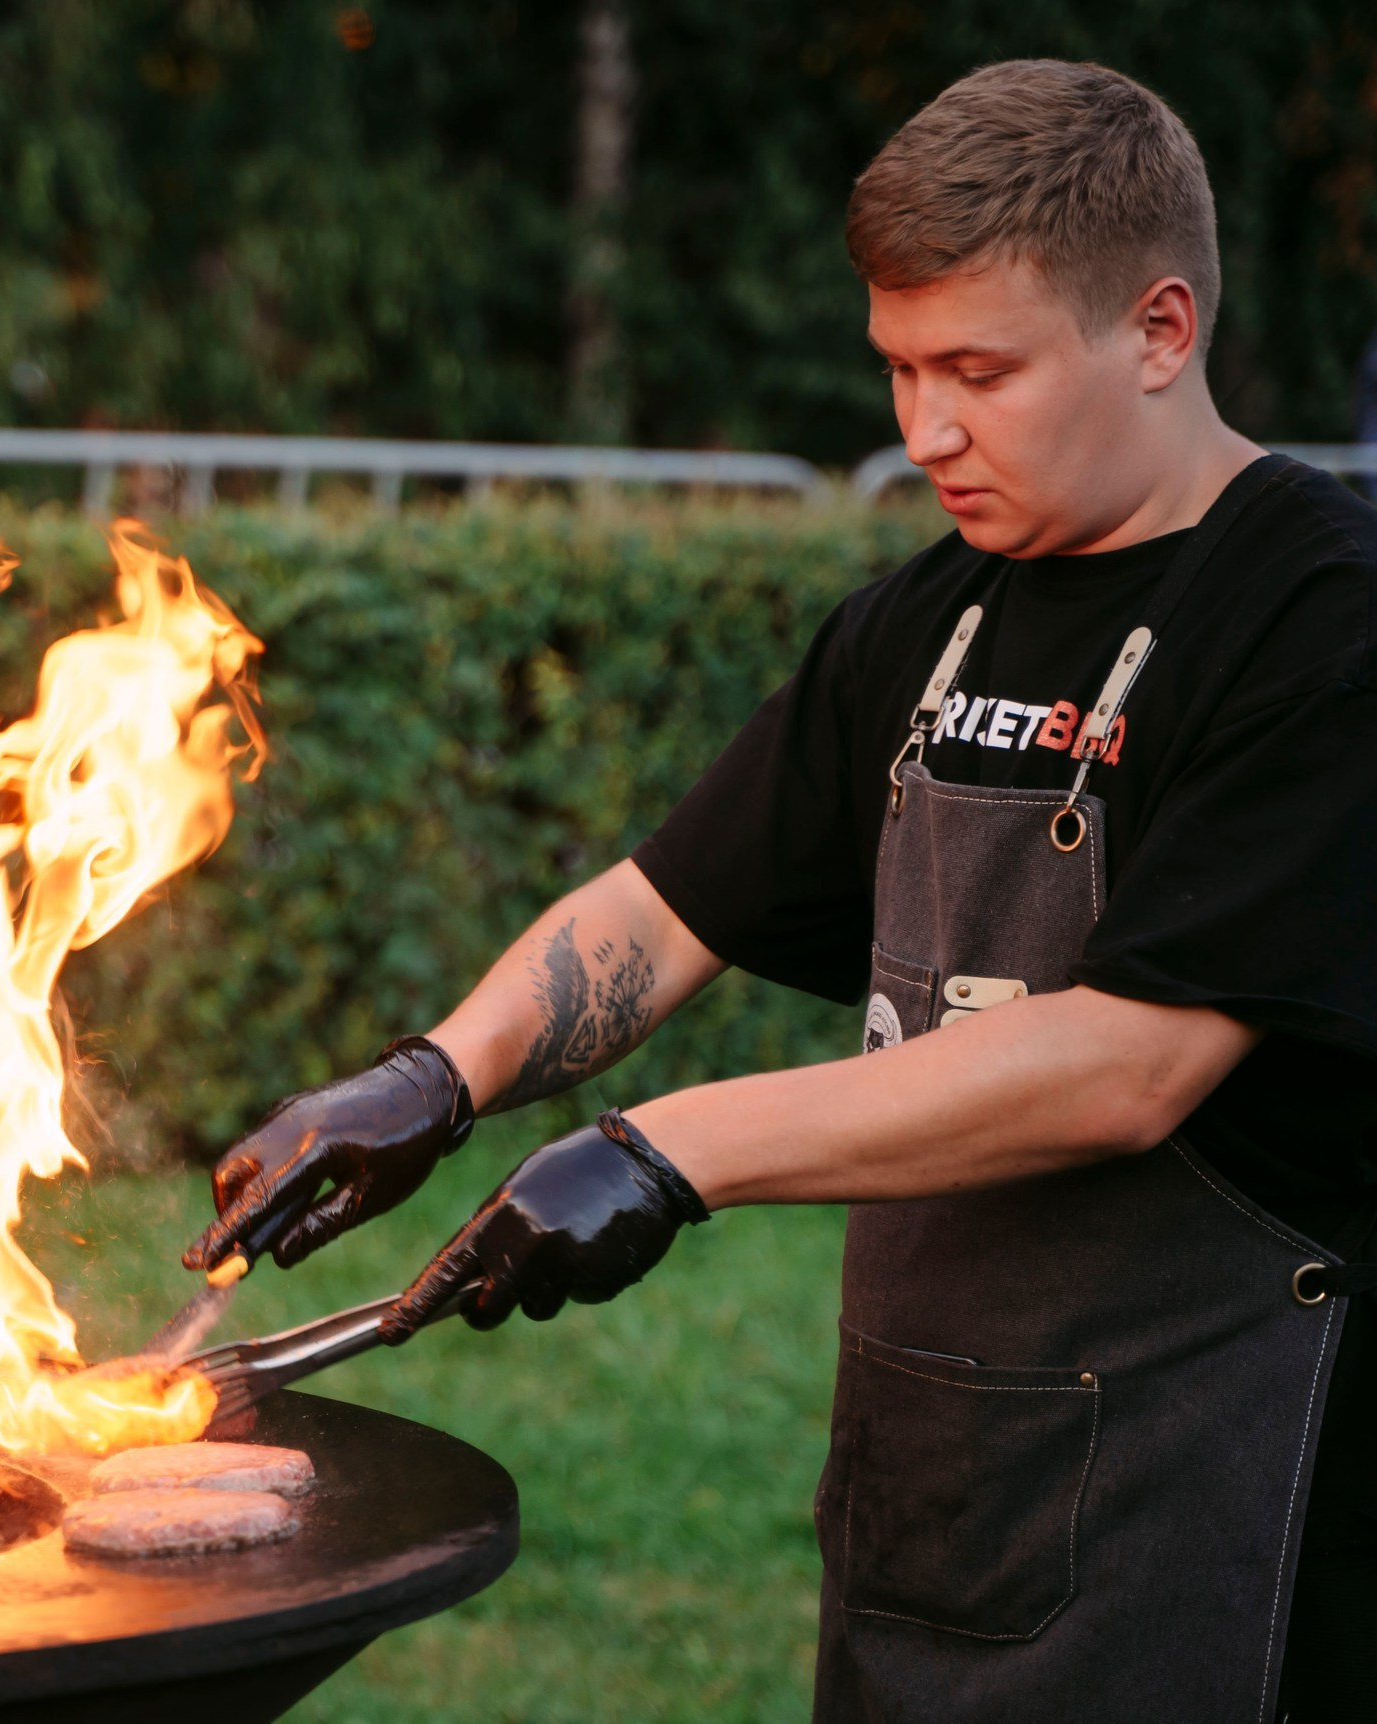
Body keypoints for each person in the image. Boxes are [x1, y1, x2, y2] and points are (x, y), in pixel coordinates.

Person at [187, 60, 1377, 1724]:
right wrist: (437, 1075)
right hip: (939, 1492)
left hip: (1219, 1513)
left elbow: (1133, 1064)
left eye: (982, 370)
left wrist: (668, 1153)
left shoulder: (1317, 619)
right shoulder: (928, 622)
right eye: (899, 368)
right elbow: (666, 909)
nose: (925, 432)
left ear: (1161, 329)